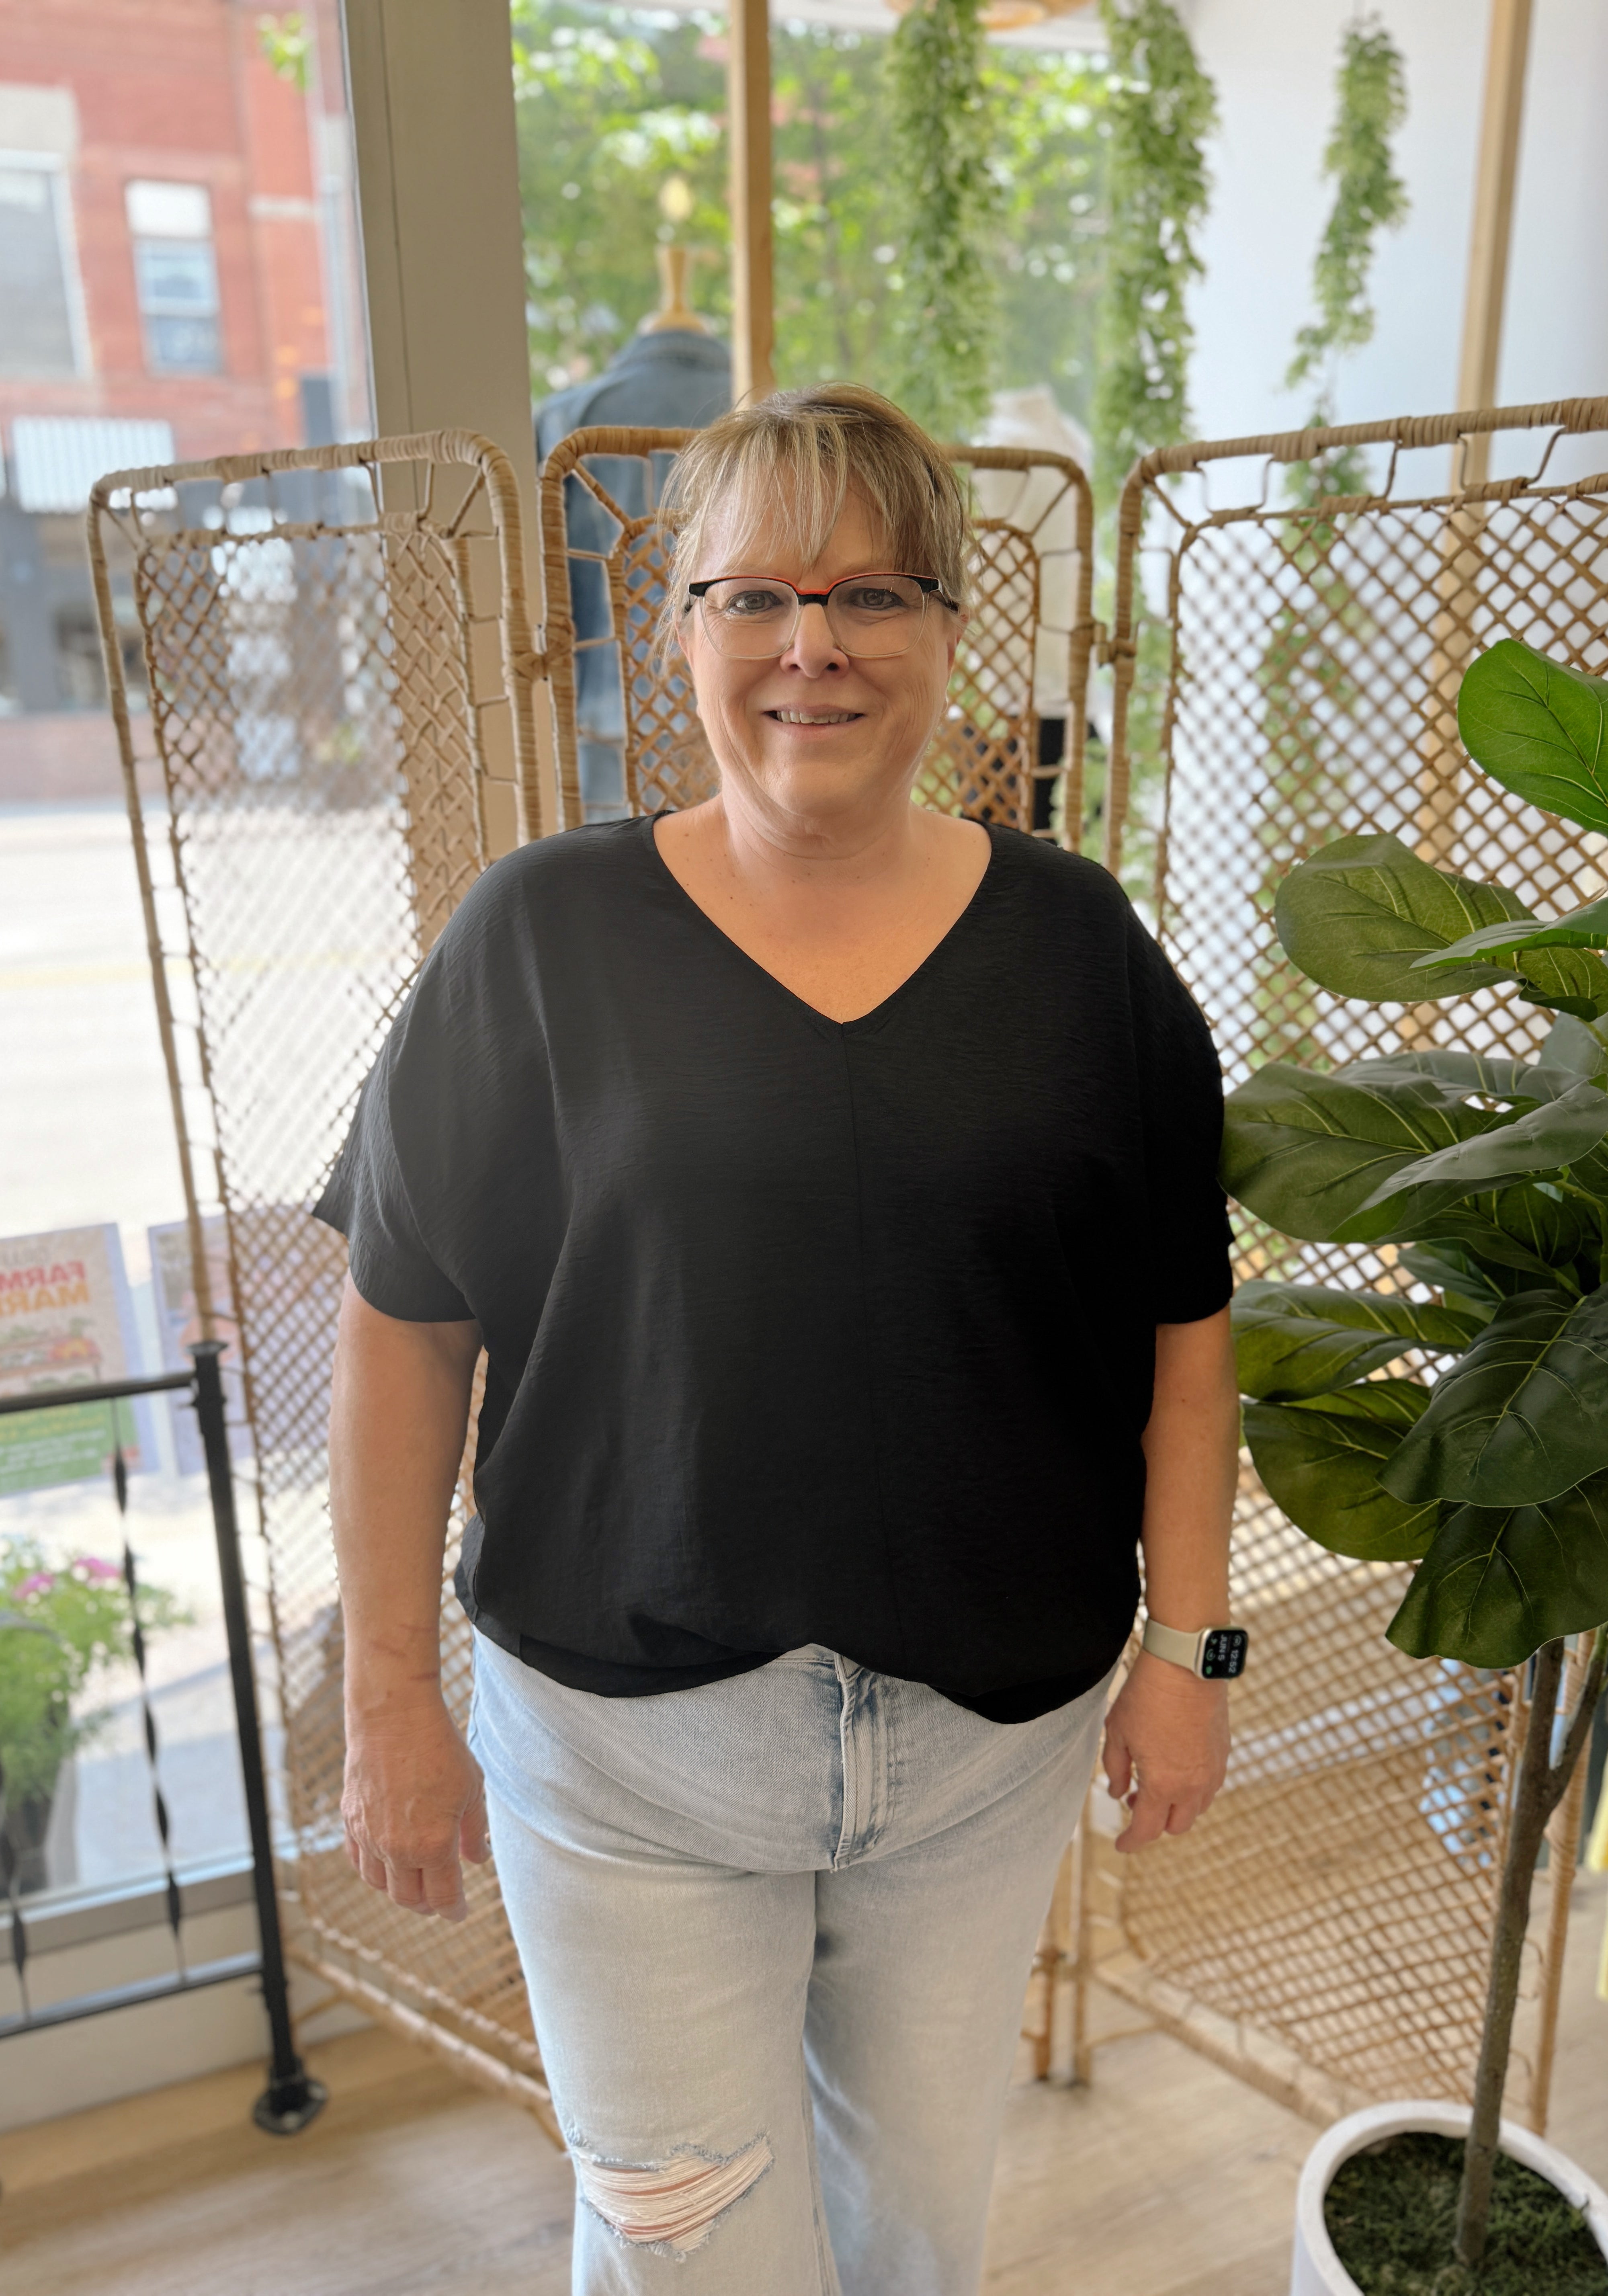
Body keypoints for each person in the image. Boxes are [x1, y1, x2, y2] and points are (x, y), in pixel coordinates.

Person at [319, 383, 1240, 2296]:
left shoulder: (1082, 954)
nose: (811, 644)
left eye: (871, 593)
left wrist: (1189, 1650)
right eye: (753, 595)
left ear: (946, 632)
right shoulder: (538, 939)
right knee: (691, 2251)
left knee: (911, 2235)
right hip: (624, 1748)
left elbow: (1182, 1331)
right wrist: (389, 1695)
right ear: (678, 629)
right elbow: (403, 1334)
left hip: (986, 1745)